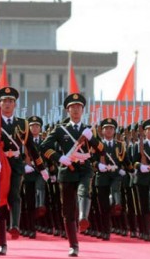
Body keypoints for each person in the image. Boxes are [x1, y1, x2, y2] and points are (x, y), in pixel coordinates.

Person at [0, 87, 49, 256]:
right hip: (0, 163)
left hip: (16, 164)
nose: (7, 104)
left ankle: (14, 226)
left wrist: (41, 168)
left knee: (14, 195)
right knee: (0, 199)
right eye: (4, 101)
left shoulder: (22, 123)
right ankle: (1, 242)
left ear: (15, 104)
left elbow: (31, 147)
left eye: (10, 101)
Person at [40, 93, 104, 257]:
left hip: (84, 168)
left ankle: (83, 218)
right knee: (68, 210)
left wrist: (94, 140)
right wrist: (59, 157)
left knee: (84, 191)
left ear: (83, 110)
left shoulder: (89, 130)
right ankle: (73, 245)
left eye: (79, 107)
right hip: (67, 170)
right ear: (68, 110)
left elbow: (102, 150)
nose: (76, 110)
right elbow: (44, 146)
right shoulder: (60, 129)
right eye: (72, 107)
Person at [93, 118, 132, 241]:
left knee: (117, 202)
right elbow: (92, 159)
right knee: (103, 206)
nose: (109, 130)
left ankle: (122, 227)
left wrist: (131, 170)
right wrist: (98, 165)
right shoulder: (97, 144)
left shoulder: (120, 145)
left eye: (111, 128)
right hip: (102, 177)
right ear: (102, 130)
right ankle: (105, 230)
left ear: (115, 131)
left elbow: (126, 160)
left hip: (116, 176)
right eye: (106, 128)